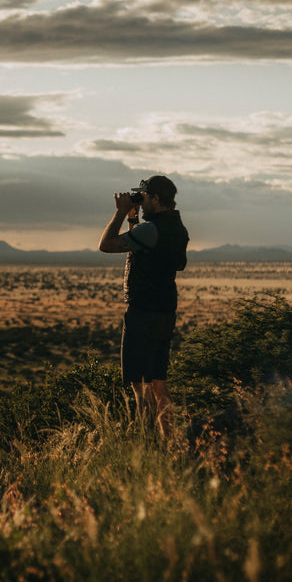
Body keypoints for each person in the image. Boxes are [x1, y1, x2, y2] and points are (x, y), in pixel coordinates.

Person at [98, 175, 189, 435]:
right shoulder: (177, 228)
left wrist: (119, 214)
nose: (142, 201)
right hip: (164, 312)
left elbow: (106, 245)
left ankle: (148, 442)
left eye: (144, 197)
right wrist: (133, 218)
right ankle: (171, 441)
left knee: (140, 385)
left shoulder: (152, 229)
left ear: (156, 198)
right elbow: (143, 248)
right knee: (159, 382)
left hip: (142, 313)